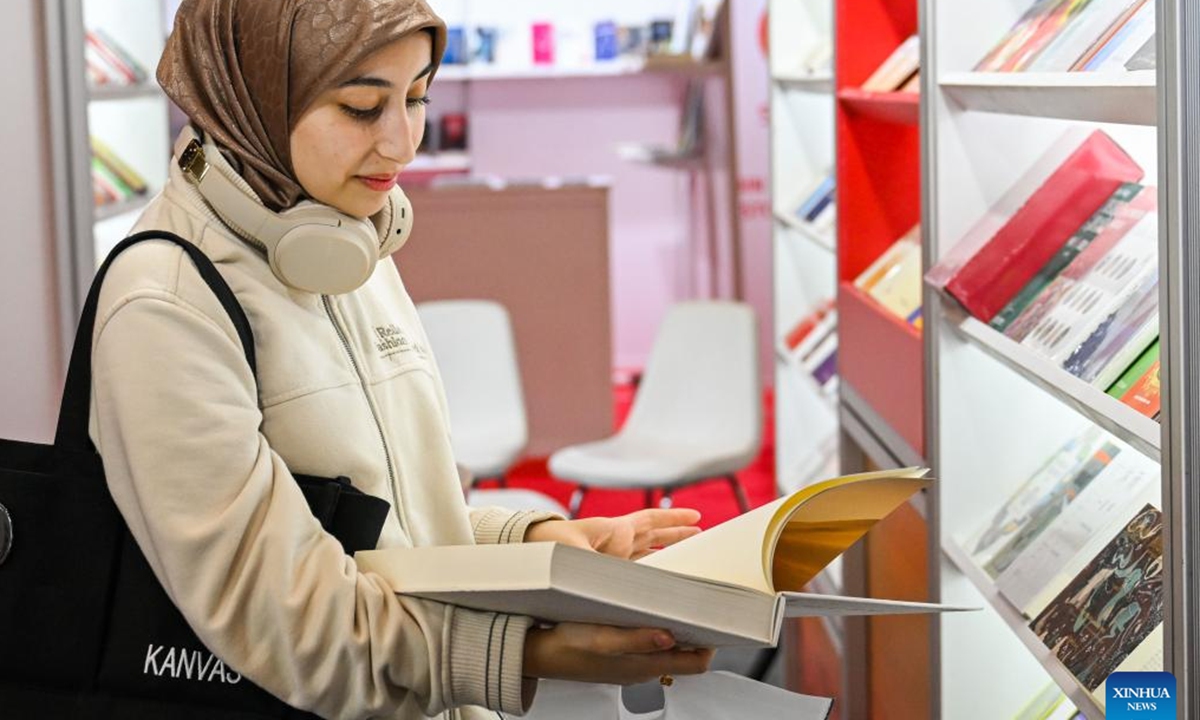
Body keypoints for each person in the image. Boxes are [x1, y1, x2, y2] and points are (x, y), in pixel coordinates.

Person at [89, 1, 714, 718]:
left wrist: (534, 541)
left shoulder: (344, 241)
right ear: (250, 93)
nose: (402, 144)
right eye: (361, 107)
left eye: (417, 98)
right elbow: (286, 618)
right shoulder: (166, 306)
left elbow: (387, 520)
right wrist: (523, 651)